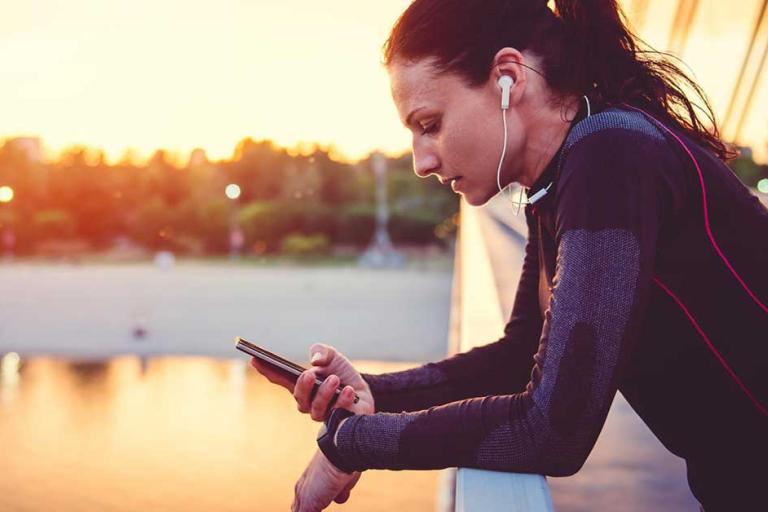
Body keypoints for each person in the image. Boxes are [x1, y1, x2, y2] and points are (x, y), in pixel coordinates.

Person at [252, 1, 768, 511]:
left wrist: (352, 442)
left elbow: (553, 430)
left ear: (507, 78)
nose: (421, 162)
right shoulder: (563, 178)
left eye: (429, 124)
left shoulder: (610, 159)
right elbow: (518, 358)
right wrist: (371, 394)